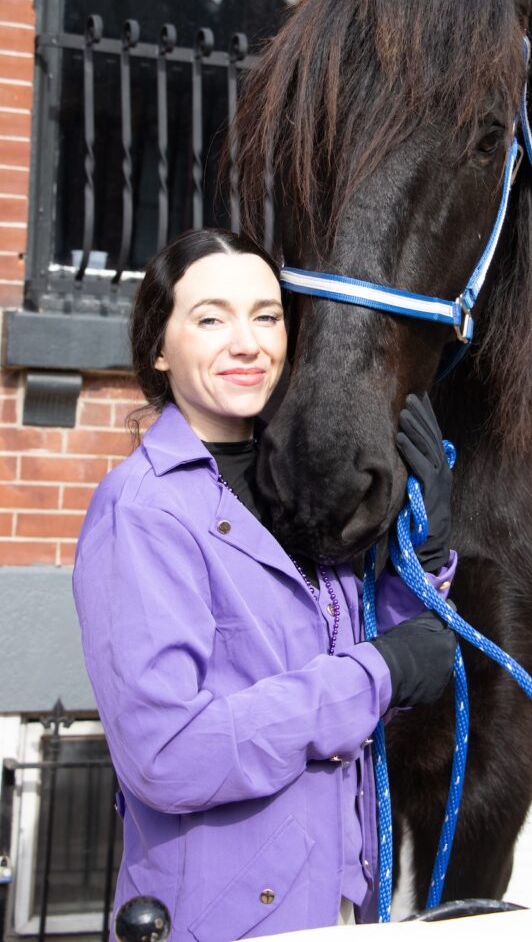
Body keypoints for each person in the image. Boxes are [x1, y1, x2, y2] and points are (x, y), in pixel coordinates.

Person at [73, 228, 458, 941]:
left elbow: (358, 679)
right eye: (211, 317)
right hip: (227, 919)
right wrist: (380, 671)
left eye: (267, 315)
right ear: (159, 348)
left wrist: (424, 559)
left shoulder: (294, 489)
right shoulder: (145, 511)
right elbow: (166, 753)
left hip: (341, 904)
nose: (247, 342)